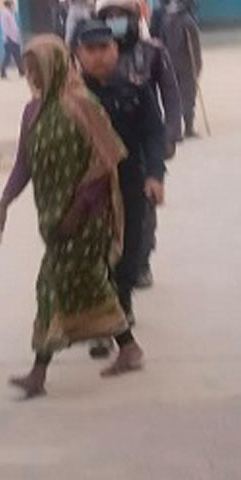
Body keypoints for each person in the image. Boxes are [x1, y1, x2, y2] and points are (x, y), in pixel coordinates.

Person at [0, 35, 144, 398]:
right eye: (28, 70)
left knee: (50, 285)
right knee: (90, 283)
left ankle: (38, 372)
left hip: (87, 219)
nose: (31, 76)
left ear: (56, 66)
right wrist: (4, 203)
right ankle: (129, 346)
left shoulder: (82, 106)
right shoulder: (33, 111)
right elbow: (24, 163)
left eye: (37, 68)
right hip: (52, 216)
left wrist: (78, 210)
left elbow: (105, 161)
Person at [74, 21, 165, 363]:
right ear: (78, 54)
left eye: (104, 49)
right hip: (88, 189)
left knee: (128, 254)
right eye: (90, 50)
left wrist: (155, 175)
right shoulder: (71, 98)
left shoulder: (135, 90)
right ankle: (101, 328)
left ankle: (121, 310)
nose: (98, 56)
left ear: (115, 51)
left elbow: (153, 133)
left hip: (129, 183)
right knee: (93, 257)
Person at [95, 0, 181, 292]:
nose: (116, 21)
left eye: (122, 15)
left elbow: (171, 95)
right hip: (104, 144)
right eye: (109, 16)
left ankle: (141, 261)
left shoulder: (152, 51)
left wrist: (170, 134)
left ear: (134, 17)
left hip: (142, 141)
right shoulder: (94, 54)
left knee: (144, 208)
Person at [160, 0, 203, 140]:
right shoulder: (188, 21)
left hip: (169, 63)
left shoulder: (166, 18)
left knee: (173, 97)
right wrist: (198, 66)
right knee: (188, 96)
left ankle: (174, 130)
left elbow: (162, 41)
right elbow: (195, 48)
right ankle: (189, 128)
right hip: (186, 65)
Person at [0, 0, 25, 78]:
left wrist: (17, 36)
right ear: (9, 5)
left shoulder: (10, 13)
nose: (14, 6)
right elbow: (5, 26)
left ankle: (22, 71)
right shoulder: (5, 14)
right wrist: (7, 36)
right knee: (8, 56)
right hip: (9, 38)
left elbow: (13, 26)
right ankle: (2, 72)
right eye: (12, 4)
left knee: (17, 55)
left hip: (14, 38)